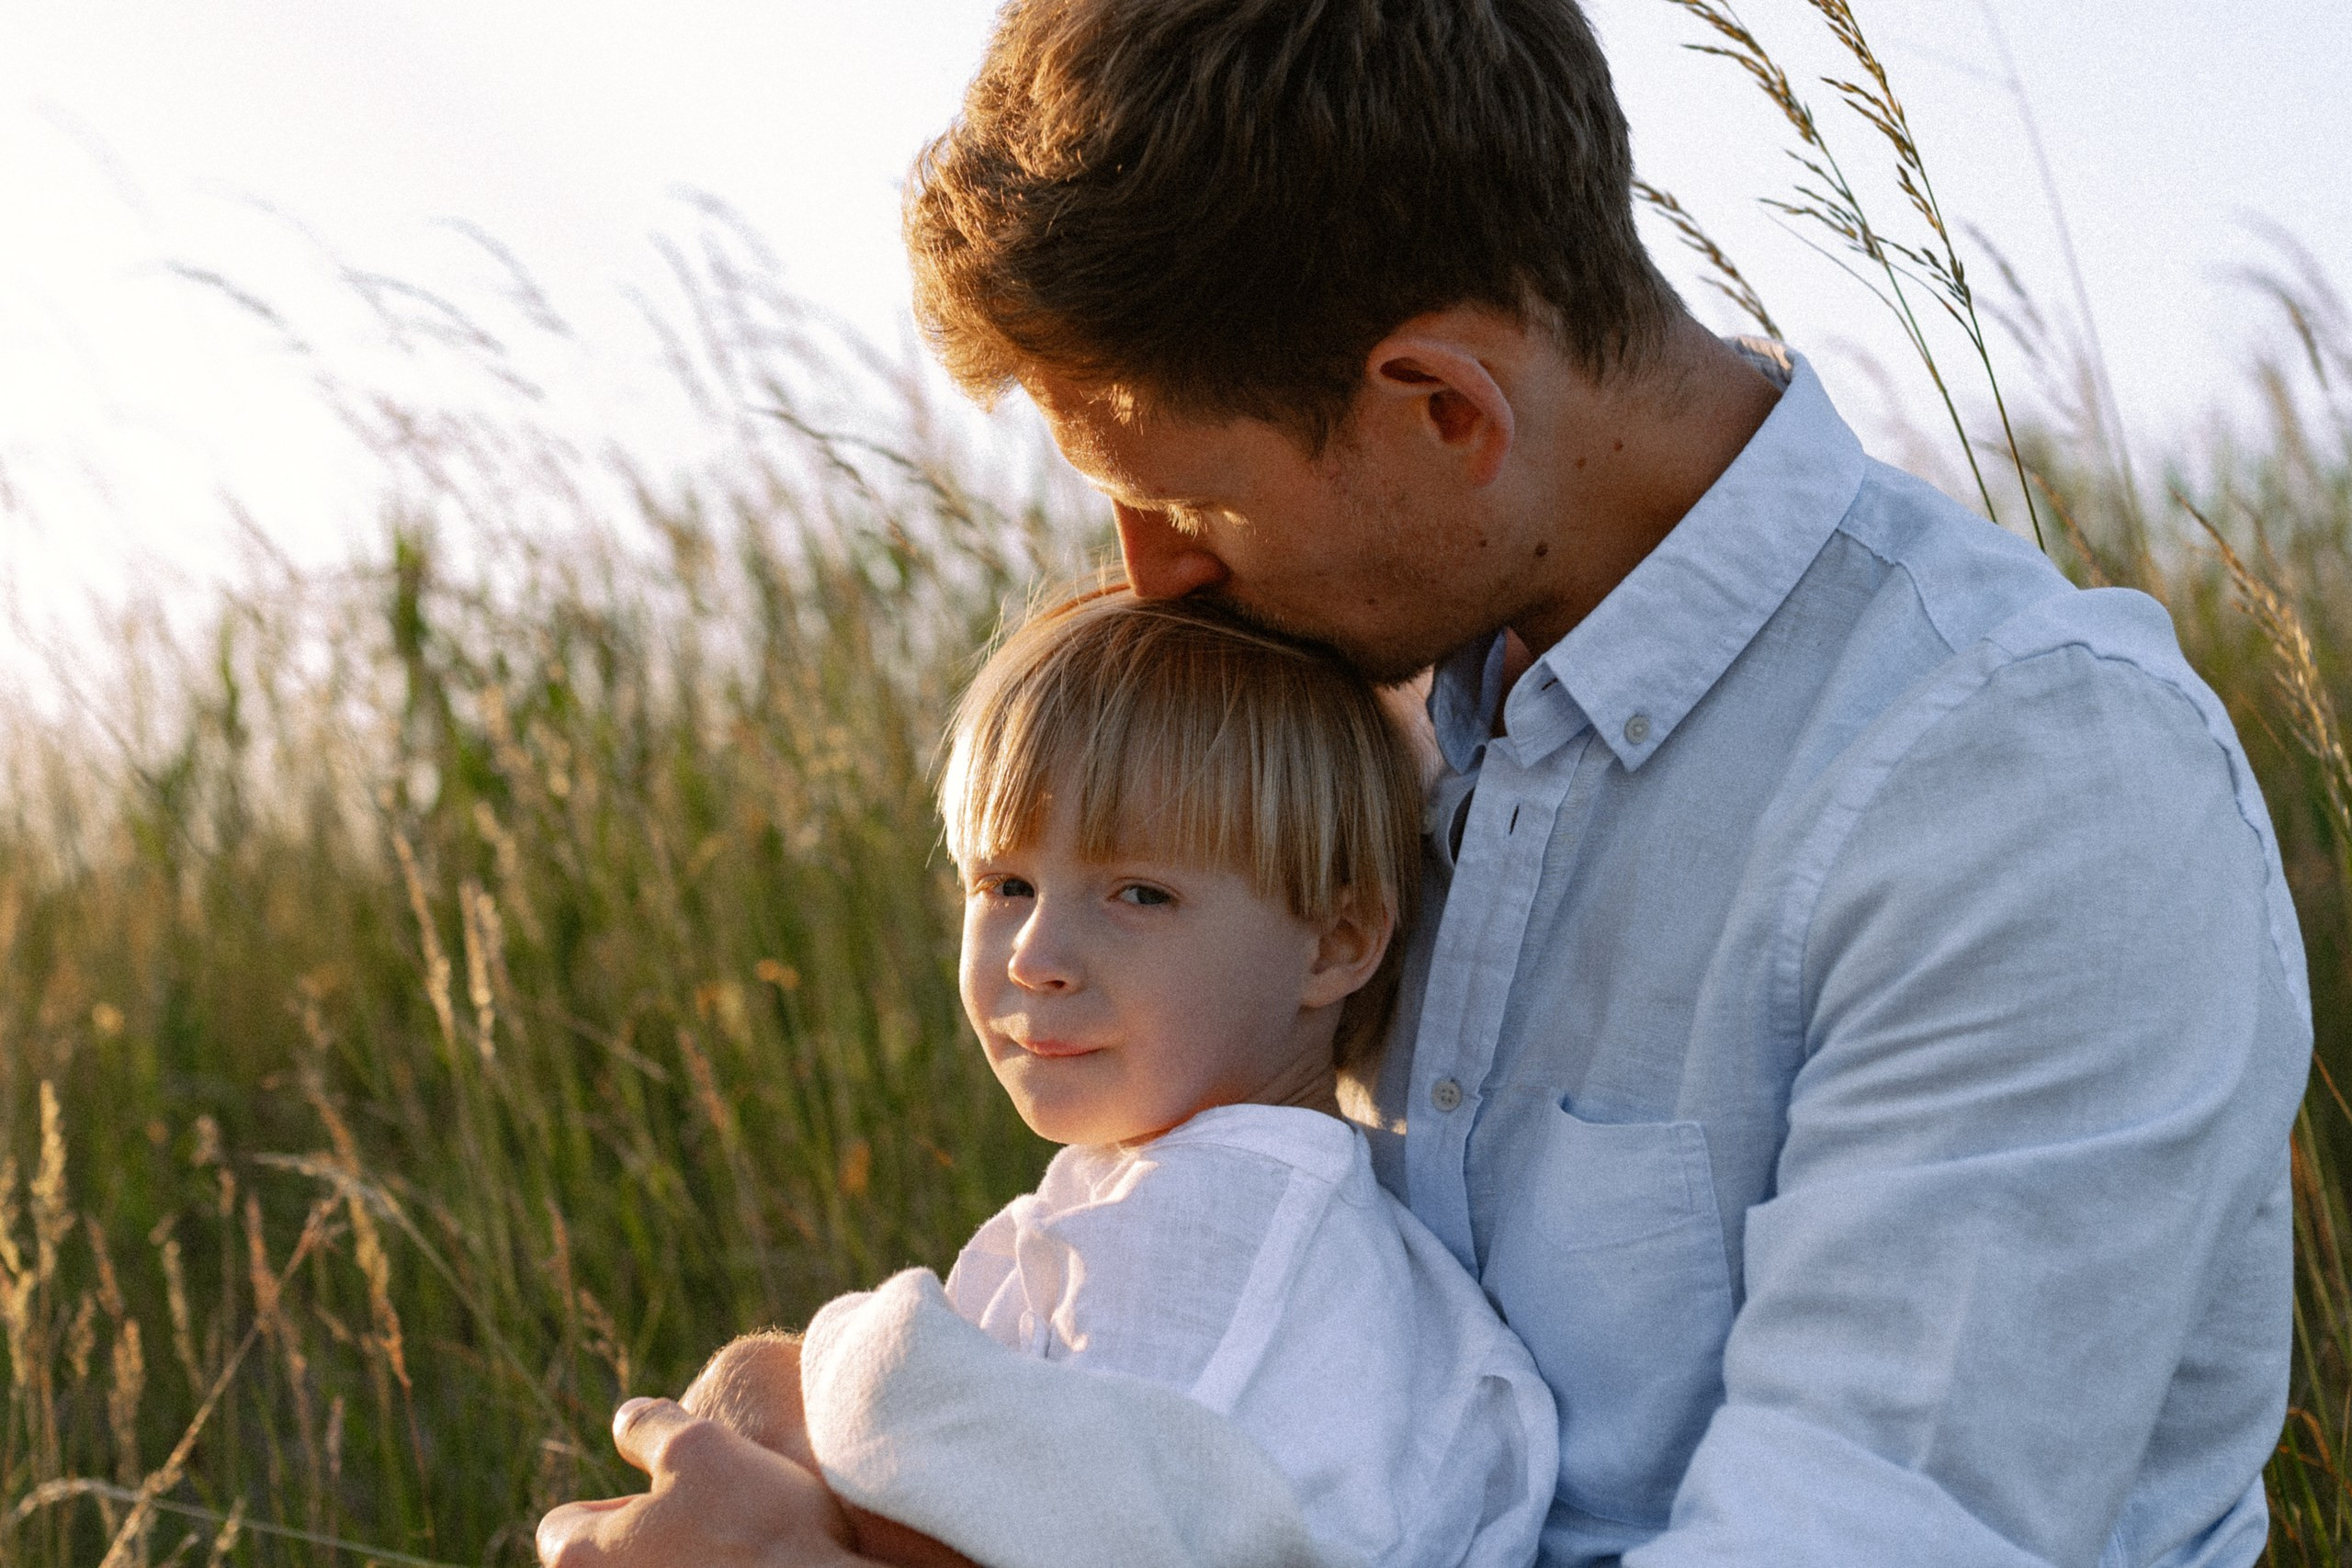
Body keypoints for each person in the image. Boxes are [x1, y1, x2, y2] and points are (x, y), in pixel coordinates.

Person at [538, 1, 2312, 1564]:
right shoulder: (1373, 731)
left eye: (1187, 497)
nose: (1151, 576)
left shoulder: (2016, 793)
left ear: (1442, 410)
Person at [657, 586, 1557, 1568]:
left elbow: (1014, 1521)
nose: (1036, 952)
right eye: (1006, 885)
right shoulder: (1192, 1193)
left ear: (1334, 943)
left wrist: (787, 1379)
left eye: (1139, 893)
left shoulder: (1224, 1218)